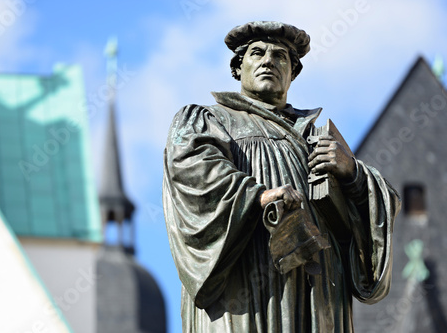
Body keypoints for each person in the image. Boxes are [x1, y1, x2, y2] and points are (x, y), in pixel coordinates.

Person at [163, 21, 400, 332]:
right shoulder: (209, 120)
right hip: (246, 283)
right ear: (238, 67)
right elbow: (191, 169)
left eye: (280, 57)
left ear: (292, 72)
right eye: (256, 53)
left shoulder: (318, 137)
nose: (268, 61)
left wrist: (353, 172)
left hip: (319, 290)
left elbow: (384, 204)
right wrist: (257, 196)